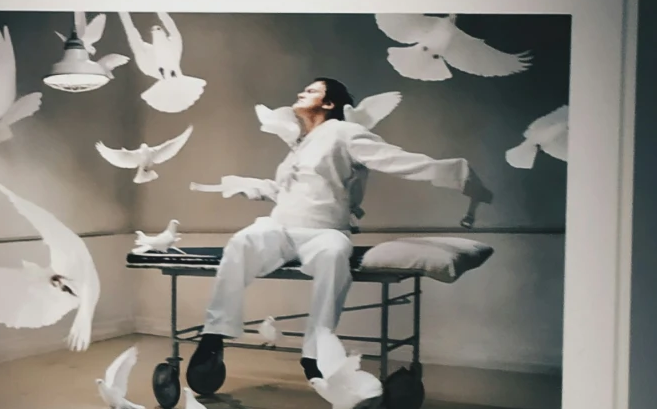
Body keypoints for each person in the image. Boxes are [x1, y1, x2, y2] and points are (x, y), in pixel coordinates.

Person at [188, 75, 485, 392]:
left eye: (312, 90)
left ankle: (314, 354)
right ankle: (213, 337)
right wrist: (252, 186)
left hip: (325, 231)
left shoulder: (347, 133)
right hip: (281, 228)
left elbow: (396, 160)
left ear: (329, 103)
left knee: (334, 255)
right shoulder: (300, 145)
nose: (302, 92)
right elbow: (292, 191)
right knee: (242, 242)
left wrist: (456, 172)